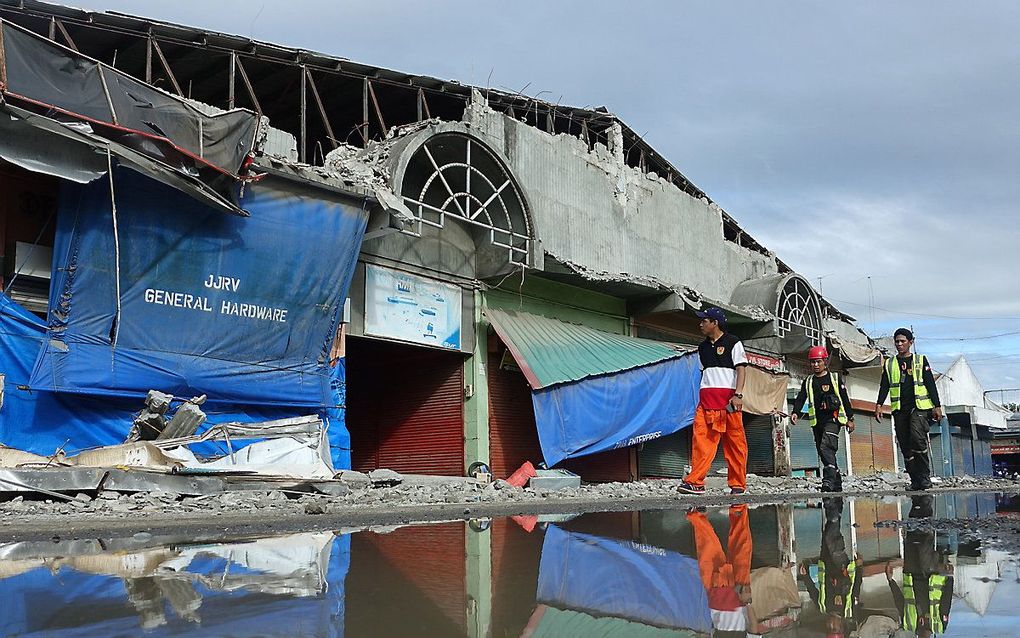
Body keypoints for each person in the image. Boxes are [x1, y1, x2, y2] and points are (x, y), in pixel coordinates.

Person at [679, 307, 748, 495]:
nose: (700, 324)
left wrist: (738, 394)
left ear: (715, 323)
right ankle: (696, 482)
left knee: (735, 444)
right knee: (701, 442)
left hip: (729, 403)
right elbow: (703, 374)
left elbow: (741, 369)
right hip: (706, 403)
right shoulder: (702, 348)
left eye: (704, 320)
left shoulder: (733, 342)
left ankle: (737, 484)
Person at [874, 328, 943, 491]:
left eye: (902, 341)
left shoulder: (920, 360)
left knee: (917, 438)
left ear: (910, 342)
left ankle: (924, 477)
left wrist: (937, 406)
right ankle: (915, 480)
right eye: (897, 341)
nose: (899, 344)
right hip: (899, 410)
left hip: (919, 408)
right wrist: (878, 404)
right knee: (905, 446)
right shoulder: (890, 363)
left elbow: (930, 384)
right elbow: (884, 385)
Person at [886, 495, 954, 637]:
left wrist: (891, 581)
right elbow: (946, 601)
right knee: (924, 541)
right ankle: (926, 504)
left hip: (911, 573)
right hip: (930, 573)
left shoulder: (908, 623)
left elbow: (899, 602)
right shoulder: (939, 625)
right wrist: (950, 578)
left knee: (911, 538)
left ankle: (916, 504)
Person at [790, 346, 855, 492]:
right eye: (813, 362)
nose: (815, 365)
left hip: (833, 419)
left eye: (818, 361)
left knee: (827, 447)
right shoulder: (808, 381)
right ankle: (837, 482)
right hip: (817, 422)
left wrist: (850, 418)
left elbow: (845, 399)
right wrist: (795, 412)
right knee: (823, 451)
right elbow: (801, 397)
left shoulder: (834, 379)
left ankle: (828, 481)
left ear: (825, 361)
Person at [798, 497, 863, 638]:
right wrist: (859, 568)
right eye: (834, 628)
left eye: (829, 628)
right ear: (841, 626)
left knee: (827, 532)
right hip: (841, 566)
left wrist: (804, 576)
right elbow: (856, 588)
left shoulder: (823, 607)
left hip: (826, 563)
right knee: (831, 536)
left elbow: (812, 591)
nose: (830, 624)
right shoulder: (848, 610)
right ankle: (831, 506)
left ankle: (837, 501)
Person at [689, 503, 752, 637]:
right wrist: (748, 602)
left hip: (718, 597)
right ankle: (738, 510)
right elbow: (755, 629)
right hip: (734, 596)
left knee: (709, 550)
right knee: (740, 547)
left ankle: (697, 516)